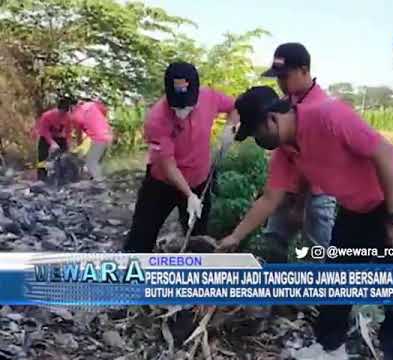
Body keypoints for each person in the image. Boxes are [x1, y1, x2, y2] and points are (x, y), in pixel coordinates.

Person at [217, 86, 393, 360]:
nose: (257, 139)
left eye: (256, 132)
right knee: (337, 274)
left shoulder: (329, 116)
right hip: (356, 206)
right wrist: (235, 236)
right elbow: (269, 199)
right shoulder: (287, 152)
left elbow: (383, 153)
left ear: (271, 119)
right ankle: (330, 347)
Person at [124, 61, 239, 253]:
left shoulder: (209, 97)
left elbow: (236, 106)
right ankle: (129, 277)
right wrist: (189, 196)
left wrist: (230, 129)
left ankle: (192, 280)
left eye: (188, 105)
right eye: (178, 105)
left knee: (197, 240)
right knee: (140, 238)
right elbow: (168, 166)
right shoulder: (157, 119)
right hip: (162, 184)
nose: (182, 111)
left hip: (199, 180)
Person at [259, 42, 336, 262]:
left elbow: (313, 165)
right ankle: (276, 292)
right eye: (278, 77)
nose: (280, 83)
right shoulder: (286, 101)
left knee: (315, 253)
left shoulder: (320, 109)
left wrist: (299, 207)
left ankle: (312, 294)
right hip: (288, 187)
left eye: (285, 76)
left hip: (317, 191)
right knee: (273, 242)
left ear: (304, 70)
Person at [34, 97, 76, 181]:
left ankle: (62, 177)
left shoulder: (68, 117)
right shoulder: (47, 116)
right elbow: (44, 131)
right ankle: (41, 178)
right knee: (42, 156)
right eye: (61, 112)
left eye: (65, 112)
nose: (63, 114)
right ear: (58, 109)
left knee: (65, 156)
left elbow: (68, 133)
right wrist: (52, 143)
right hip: (45, 137)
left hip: (59, 137)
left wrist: (69, 144)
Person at [71, 98, 113, 179]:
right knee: (97, 163)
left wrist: (79, 148)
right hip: (108, 135)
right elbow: (104, 111)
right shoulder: (92, 104)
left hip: (99, 139)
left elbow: (79, 136)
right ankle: (95, 181)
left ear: (72, 107)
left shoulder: (75, 116)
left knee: (91, 163)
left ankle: (100, 185)